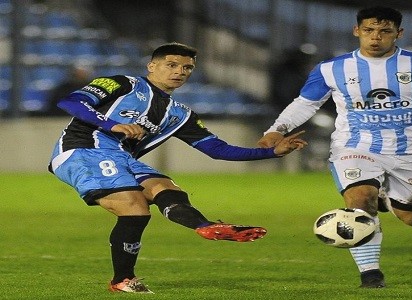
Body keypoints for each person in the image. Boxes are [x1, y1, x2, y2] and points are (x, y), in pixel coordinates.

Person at [47, 42, 307, 294]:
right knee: (135, 208)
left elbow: (217, 150)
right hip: (82, 150)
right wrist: (111, 125)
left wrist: (271, 152)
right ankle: (123, 280)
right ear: (152, 66)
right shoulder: (123, 83)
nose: (179, 72)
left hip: (120, 157)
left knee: (164, 187)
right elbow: (70, 101)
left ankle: (205, 227)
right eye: (171, 65)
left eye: (187, 68)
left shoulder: (180, 113)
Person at [258, 6, 412, 288]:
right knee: (360, 203)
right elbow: (306, 103)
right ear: (357, 31)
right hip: (355, 147)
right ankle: (371, 274)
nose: (376, 37)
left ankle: (384, 196)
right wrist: (276, 129)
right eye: (369, 30)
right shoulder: (332, 68)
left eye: (385, 31)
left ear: (399, 34)